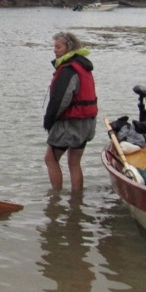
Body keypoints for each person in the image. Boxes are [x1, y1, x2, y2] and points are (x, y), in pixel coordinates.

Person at [43, 32, 98, 192]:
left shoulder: (68, 70)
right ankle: (76, 201)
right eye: (54, 46)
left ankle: (56, 198)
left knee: (50, 159)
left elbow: (60, 100)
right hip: (87, 122)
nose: (55, 50)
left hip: (71, 123)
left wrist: (49, 120)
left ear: (69, 47)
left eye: (58, 47)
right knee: (74, 162)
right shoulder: (83, 66)